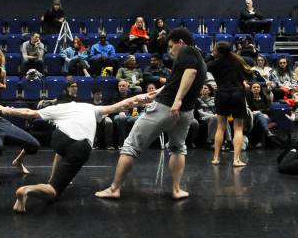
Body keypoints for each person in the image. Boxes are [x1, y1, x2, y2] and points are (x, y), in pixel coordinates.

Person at [96, 27, 206, 200]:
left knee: (131, 145)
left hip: (167, 107)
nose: (170, 51)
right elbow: (173, 83)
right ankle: (177, 190)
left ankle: (114, 189)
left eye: (171, 47)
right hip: (185, 112)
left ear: (181, 42)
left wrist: (177, 100)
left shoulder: (187, 50)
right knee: (178, 148)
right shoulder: (199, 57)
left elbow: (190, 73)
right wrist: (150, 95)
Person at [1, 92, 154, 213]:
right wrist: (142, 96)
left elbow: (28, 112)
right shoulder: (89, 107)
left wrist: (7, 110)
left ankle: (52, 178)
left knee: (61, 151)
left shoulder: (55, 108)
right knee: (53, 192)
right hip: (79, 147)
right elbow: (121, 105)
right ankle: (27, 190)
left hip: (59, 139)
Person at [207, 41, 252, 167]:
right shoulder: (237, 61)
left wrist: (211, 56)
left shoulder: (214, 63)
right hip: (237, 94)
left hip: (221, 94)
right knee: (238, 128)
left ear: (219, 52)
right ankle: (236, 160)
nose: (213, 51)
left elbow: (204, 65)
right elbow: (249, 73)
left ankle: (216, 158)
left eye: (215, 50)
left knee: (220, 126)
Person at [195, 84, 232, 150]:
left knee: (223, 118)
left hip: (215, 116)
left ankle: (228, 141)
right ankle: (210, 141)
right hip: (204, 117)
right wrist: (213, 115)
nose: (203, 89)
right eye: (202, 88)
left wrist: (217, 115)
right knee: (215, 118)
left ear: (209, 91)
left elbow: (219, 109)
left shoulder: (214, 99)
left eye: (205, 88)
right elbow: (200, 113)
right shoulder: (198, 100)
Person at [111, 80, 137, 148]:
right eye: (119, 86)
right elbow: (112, 108)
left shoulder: (131, 96)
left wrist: (135, 111)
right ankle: (122, 144)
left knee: (137, 118)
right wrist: (119, 111)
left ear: (127, 87)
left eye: (123, 86)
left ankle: (135, 144)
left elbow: (135, 107)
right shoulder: (114, 96)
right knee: (121, 118)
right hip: (118, 115)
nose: (121, 87)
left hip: (129, 115)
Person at [246, 83, 272, 148]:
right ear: (251, 89)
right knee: (261, 116)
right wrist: (258, 113)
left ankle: (261, 141)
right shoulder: (248, 99)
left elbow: (269, 109)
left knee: (263, 117)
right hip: (252, 117)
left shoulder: (265, 98)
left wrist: (260, 112)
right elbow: (247, 109)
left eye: (258, 87)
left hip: (264, 116)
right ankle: (267, 132)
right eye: (254, 87)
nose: (256, 88)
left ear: (260, 89)